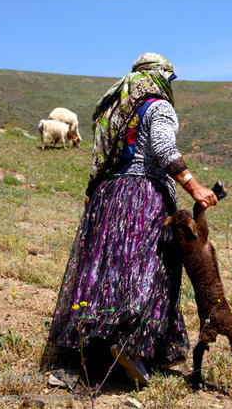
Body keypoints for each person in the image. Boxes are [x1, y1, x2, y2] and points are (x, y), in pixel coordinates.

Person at [47, 53, 218, 386]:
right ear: (161, 78)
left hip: (109, 195)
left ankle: (94, 345)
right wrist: (194, 187)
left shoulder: (116, 110)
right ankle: (132, 348)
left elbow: (100, 158)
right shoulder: (159, 107)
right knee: (152, 268)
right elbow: (164, 149)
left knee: (109, 268)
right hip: (144, 195)